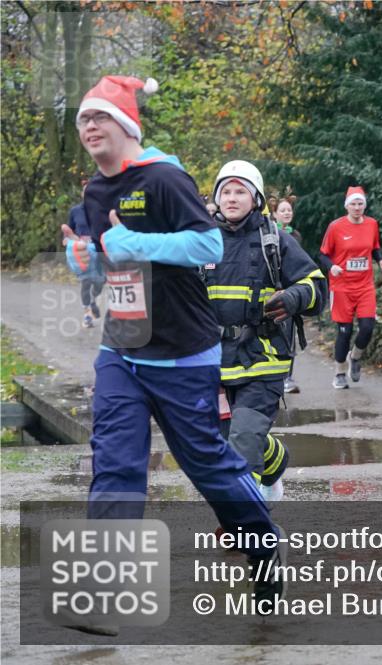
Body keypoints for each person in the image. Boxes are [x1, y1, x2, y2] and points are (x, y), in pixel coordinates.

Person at [61, 76, 286, 630]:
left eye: (100, 117)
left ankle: (263, 548)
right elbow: (110, 264)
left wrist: (136, 243)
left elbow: (207, 244)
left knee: (206, 464)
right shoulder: (95, 191)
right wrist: (84, 259)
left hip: (184, 353)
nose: (89, 127)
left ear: (126, 125)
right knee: (114, 464)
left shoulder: (164, 179)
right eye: (83, 120)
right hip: (123, 349)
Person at [205, 161, 325, 502]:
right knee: (225, 444)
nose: (231, 198)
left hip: (264, 360)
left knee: (242, 442)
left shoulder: (274, 241)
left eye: (240, 191)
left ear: (255, 198)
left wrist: (292, 298)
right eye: (225, 191)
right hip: (215, 364)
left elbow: (317, 286)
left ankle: (242, 521)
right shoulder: (203, 242)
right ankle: (275, 459)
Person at [318, 186, 382, 389]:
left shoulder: (371, 224)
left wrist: (381, 261)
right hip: (341, 287)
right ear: (347, 206)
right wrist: (331, 267)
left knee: (367, 327)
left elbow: (374, 248)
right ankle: (340, 372)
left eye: (360, 204)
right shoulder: (336, 227)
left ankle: (355, 357)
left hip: (365, 285)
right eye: (353, 204)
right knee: (344, 331)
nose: (357, 207)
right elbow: (322, 254)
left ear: (364, 205)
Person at [272, 196, 304, 394]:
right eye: (282, 210)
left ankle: (287, 377)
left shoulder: (296, 236)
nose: (286, 213)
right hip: (272, 290)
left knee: (290, 334)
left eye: (288, 210)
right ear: (274, 214)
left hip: (289, 290)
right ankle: (274, 376)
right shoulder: (268, 234)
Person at [66, 181, 105, 328]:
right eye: (86, 192)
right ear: (82, 194)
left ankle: (93, 300)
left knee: (100, 281)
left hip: (99, 252)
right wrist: (67, 240)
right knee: (85, 281)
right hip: (82, 253)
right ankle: (87, 313)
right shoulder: (75, 211)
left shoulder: (102, 210)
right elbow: (69, 231)